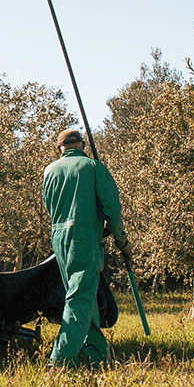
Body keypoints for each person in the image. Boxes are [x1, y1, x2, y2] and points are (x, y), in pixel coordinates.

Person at [42, 126, 129, 368]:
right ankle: (60, 361)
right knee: (80, 299)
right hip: (85, 238)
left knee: (83, 296)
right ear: (82, 145)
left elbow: (49, 206)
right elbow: (112, 207)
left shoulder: (50, 171)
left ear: (60, 149)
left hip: (59, 238)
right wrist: (122, 241)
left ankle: (99, 358)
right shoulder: (93, 167)